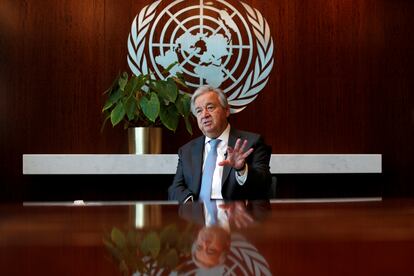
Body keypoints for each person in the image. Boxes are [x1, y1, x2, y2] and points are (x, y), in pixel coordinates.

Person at [168, 85, 272, 203]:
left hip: (235, 216)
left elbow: (265, 185)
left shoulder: (251, 142)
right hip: (197, 217)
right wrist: (191, 205)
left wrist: (242, 169)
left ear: (226, 111)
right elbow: (175, 188)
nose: (204, 115)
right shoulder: (186, 150)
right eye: (199, 111)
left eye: (210, 107)